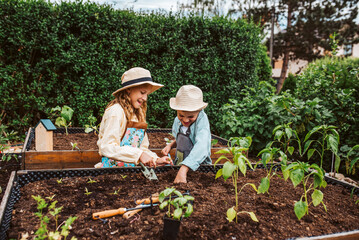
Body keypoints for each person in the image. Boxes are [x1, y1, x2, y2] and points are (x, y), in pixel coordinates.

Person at [95, 67, 172, 168]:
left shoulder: (137, 115)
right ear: (128, 89)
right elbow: (107, 147)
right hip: (111, 172)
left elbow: (142, 148)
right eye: (142, 92)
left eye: (147, 94)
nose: (145, 98)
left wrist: (155, 159)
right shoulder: (116, 111)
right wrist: (139, 155)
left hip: (132, 172)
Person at [161, 85, 212, 183]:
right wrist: (171, 145)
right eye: (181, 115)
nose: (185, 120)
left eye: (191, 116)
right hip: (180, 165)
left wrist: (184, 168)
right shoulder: (177, 121)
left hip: (200, 170)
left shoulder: (202, 122)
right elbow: (182, 138)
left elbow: (202, 145)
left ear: (199, 111)